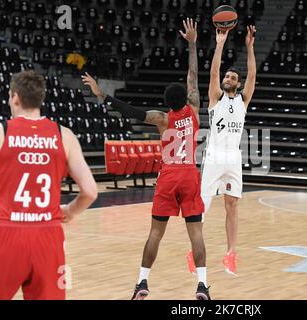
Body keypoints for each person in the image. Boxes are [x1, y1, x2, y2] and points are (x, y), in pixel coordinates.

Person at [82, 18, 210, 300]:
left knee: (155, 233)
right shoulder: (194, 109)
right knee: (196, 233)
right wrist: (192, 44)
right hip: (189, 173)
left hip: (168, 176)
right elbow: (193, 72)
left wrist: (103, 96)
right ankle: (202, 286)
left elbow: (131, 112)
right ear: (187, 98)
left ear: (167, 101)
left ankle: (142, 283)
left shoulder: (162, 119)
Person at [0, 70, 98, 300]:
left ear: (15, 97)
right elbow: (90, 191)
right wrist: (69, 211)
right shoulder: (64, 135)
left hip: (5, 233)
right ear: (40, 99)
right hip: (48, 236)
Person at [187, 25, 257, 276]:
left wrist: (249, 48)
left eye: (232, 78)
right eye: (227, 77)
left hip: (234, 159)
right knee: (203, 205)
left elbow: (252, 76)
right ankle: (194, 252)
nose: (228, 79)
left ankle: (230, 254)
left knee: (233, 206)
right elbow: (214, 71)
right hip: (214, 156)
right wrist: (220, 44)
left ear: (237, 85)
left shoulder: (243, 99)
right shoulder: (215, 98)